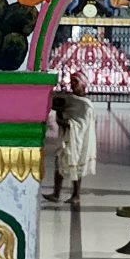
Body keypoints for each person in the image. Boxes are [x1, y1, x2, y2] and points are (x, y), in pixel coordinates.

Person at [43, 71, 97, 205]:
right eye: (72, 81)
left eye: (76, 82)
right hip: (66, 137)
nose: (72, 84)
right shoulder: (69, 99)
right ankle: (56, 193)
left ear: (83, 84)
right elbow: (58, 107)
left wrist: (66, 122)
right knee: (59, 163)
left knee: (76, 165)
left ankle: (76, 195)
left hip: (78, 139)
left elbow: (82, 125)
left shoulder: (86, 105)